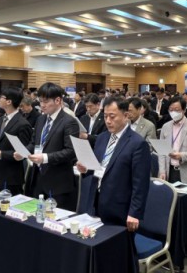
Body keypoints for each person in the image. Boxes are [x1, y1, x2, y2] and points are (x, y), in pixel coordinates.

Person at [76, 96, 150, 272]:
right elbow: (99, 168)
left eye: (112, 116)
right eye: (105, 116)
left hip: (120, 208)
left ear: (126, 115)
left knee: (118, 254)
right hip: (96, 203)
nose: (108, 121)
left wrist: (134, 213)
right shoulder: (102, 138)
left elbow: (140, 183)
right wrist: (86, 169)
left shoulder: (137, 143)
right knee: (99, 249)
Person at [19, 82, 79, 210]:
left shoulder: (69, 122)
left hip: (58, 183)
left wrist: (45, 158)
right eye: (40, 101)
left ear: (58, 100)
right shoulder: (41, 119)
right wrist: (23, 152)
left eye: (46, 102)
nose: (42, 105)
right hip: (38, 178)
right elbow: (34, 143)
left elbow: (71, 152)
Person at [0, 87, 32, 195]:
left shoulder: (23, 124)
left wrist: (2, 154)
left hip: (12, 176)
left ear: (9, 101)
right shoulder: (1, 119)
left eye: (1, 97)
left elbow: (23, 152)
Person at [158, 96, 187, 184]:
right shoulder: (165, 126)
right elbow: (162, 152)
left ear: (184, 110)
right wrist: (162, 171)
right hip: (169, 171)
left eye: (177, 110)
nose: (173, 112)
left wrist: (182, 156)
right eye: (171, 110)